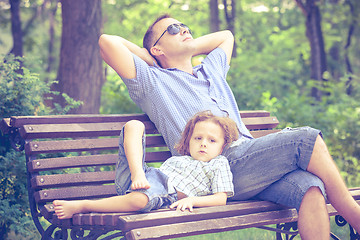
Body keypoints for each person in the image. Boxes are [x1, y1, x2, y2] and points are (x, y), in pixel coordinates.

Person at [98, 14, 360, 239]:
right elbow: (107, 42)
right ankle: (356, 219)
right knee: (304, 139)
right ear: (157, 49)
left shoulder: (211, 70)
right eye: (173, 29)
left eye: (185, 25)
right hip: (212, 166)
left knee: (310, 187)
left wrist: (185, 45)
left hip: (250, 167)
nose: (184, 30)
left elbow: (226, 36)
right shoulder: (153, 81)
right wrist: (146, 56)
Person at [53, 111, 239, 217]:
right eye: (198, 138)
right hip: (141, 177)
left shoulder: (218, 163)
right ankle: (138, 175)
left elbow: (220, 199)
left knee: (139, 199)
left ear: (222, 148)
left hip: (165, 192)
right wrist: (139, 175)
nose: (203, 143)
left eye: (212, 141)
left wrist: (192, 199)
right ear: (189, 141)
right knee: (134, 125)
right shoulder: (181, 159)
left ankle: (83, 205)